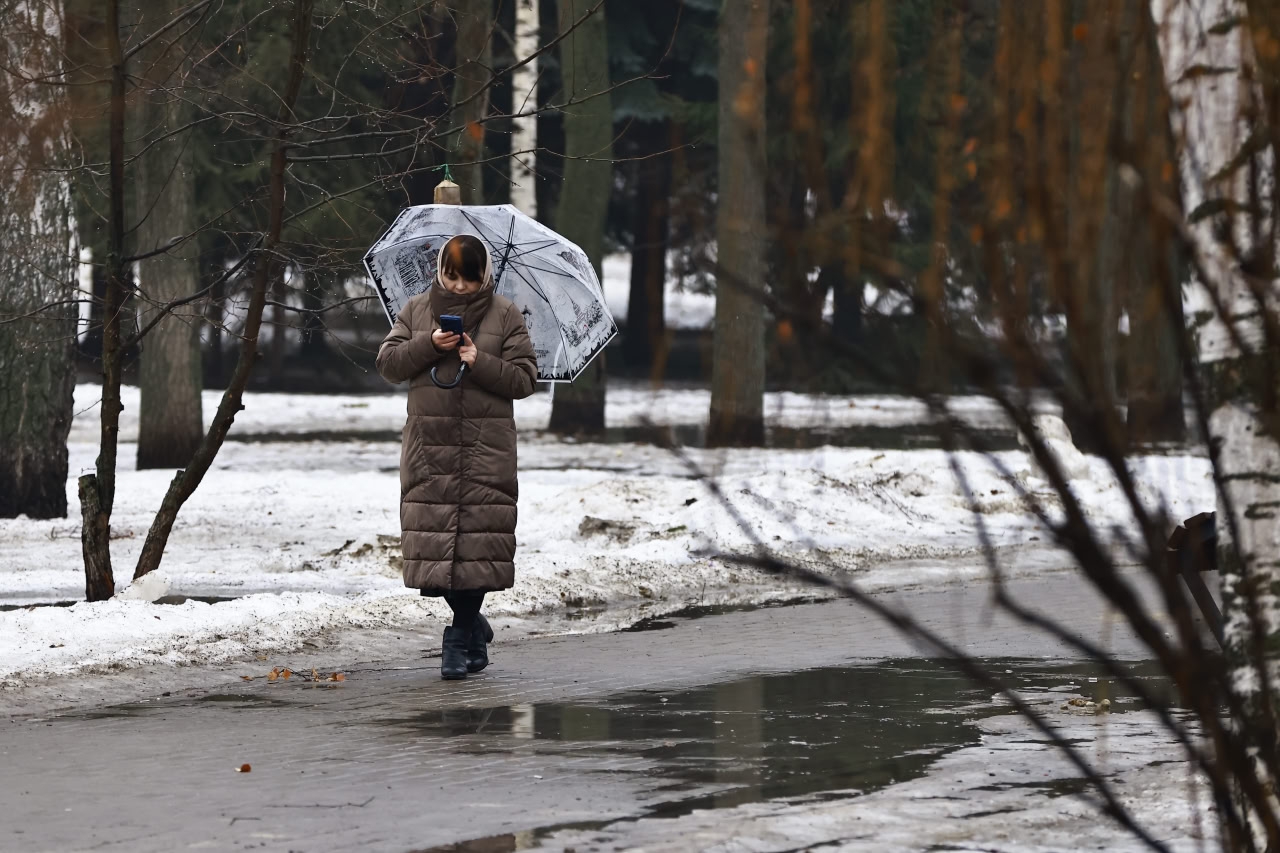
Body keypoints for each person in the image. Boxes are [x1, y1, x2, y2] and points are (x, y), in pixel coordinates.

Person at [375, 234, 537, 679]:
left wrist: (478, 358)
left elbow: (524, 380)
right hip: (431, 448)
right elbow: (388, 364)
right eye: (451, 276)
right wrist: (429, 344)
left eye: (468, 278)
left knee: (476, 551)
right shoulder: (415, 310)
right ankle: (473, 626)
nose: (460, 286)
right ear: (440, 271)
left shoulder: (506, 315)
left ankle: (457, 639)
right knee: (435, 556)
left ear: (483, 275)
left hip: (486, 452)